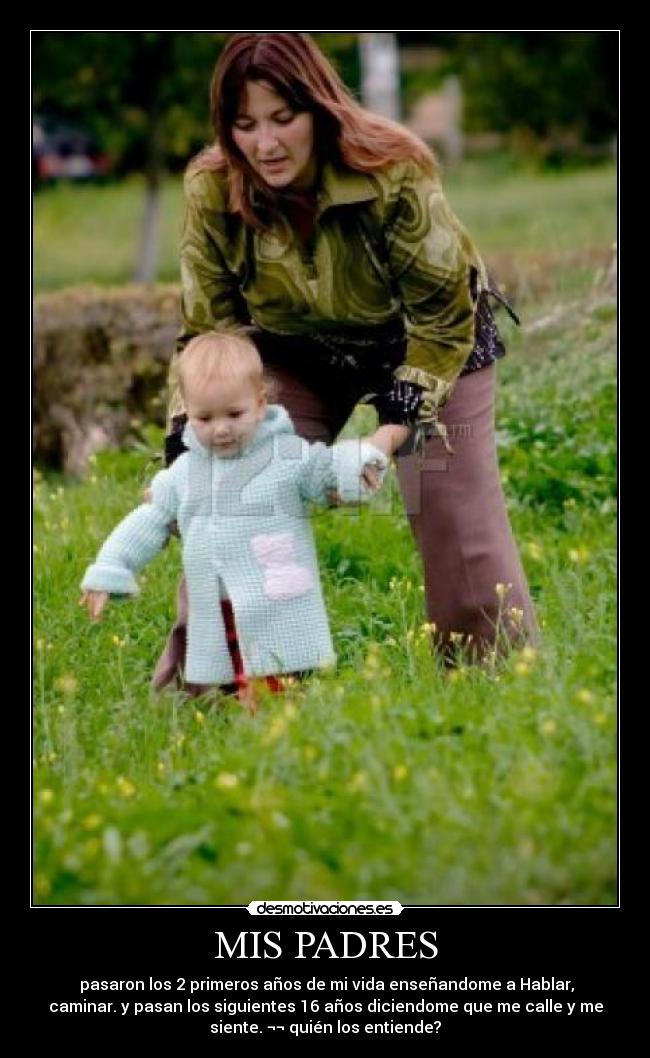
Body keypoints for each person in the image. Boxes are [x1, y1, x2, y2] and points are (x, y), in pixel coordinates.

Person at [155, 31, 537, 686]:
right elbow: (208, 329)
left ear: (319, 108)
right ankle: (222, 700)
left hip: (427, 343)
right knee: (232, 502)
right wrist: (188, 439)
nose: (265, 144)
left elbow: (444, 315)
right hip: (291, 353)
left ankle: (493, 694)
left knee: (454, 522)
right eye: (244, 125)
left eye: (283, 118)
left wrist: (390, 433)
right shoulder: (212, 187)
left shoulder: (393, 169)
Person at [79, 330, 387, 708]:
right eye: (204, 418)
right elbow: (149, 520)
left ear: (260, 404)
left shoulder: (286, 454)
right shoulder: (186, 471)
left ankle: (270, 743)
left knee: (272, 689)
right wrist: (110, 567)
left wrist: (358, 461)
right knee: (227, 683)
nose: (221, 428)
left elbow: (326, 471)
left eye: (234, 414)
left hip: (275, 605)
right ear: (186, 414)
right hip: (219, 610)